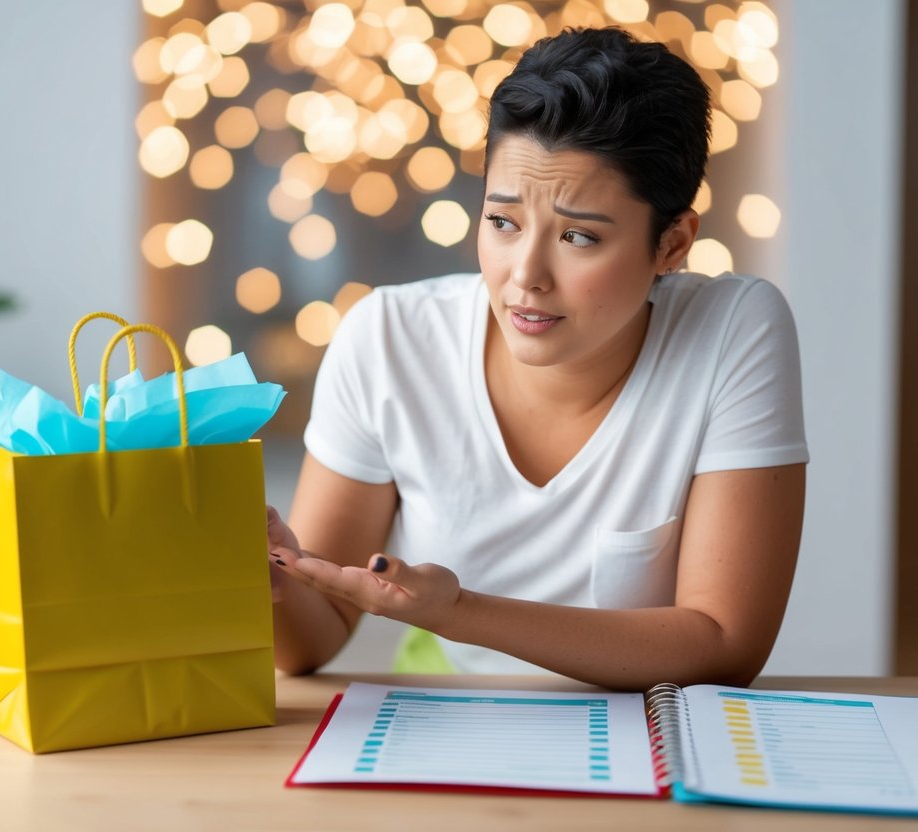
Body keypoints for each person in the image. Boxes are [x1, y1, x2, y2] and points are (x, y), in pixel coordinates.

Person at [266, 26, 808, 691]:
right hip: (450, 723)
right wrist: (269, 574)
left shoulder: (732, 330)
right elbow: (307, 644)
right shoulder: (388, 339)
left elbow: (725, 645)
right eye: (501, 223)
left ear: (672, 244)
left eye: (578, 236)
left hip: (647, 740)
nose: (525, 275)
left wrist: (460, 612)